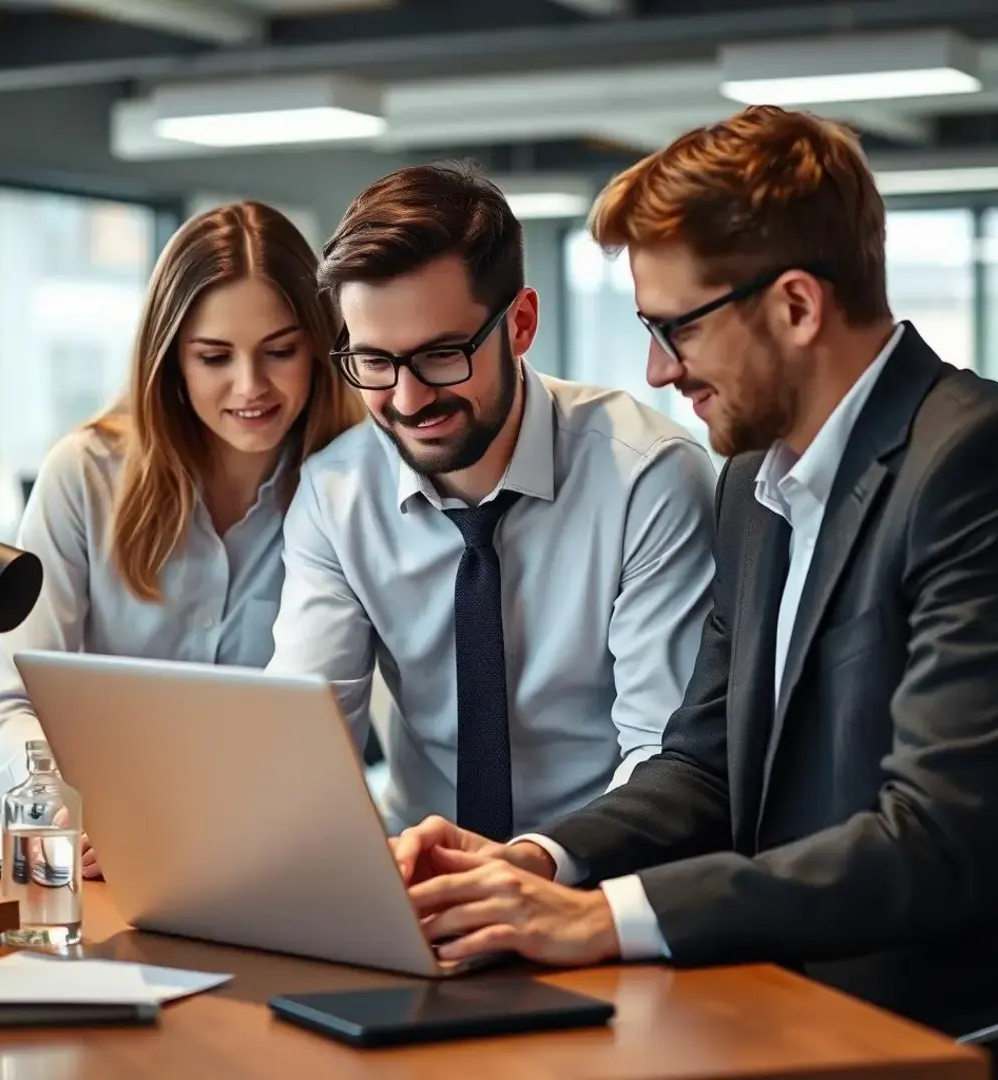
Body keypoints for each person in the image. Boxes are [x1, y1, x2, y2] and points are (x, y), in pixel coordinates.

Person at [390, 106, 998, 1040]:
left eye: (676, 328)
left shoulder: (969, 462)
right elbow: (704, 765)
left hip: (920, 1033)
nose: (657, 369)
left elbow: (937, 837)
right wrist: (536, 863)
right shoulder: (755, 481)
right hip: (769, 1005)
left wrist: (607, 918)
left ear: (797, 305)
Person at [266, 163, 716, 839]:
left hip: (595, 872)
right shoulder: (337, 494)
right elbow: (301, 734)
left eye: (443, 355)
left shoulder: (647, 477)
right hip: (418, 873)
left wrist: (539, 867)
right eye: (375, 363)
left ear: (522, 324)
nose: (409, 400)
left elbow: (663, 753)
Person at [0, 201, 363, 876]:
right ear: (171, 359)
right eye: (214, 357)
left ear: (322, 347)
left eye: (280, 351)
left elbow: (330, 738)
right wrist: (65, 806)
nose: (250, 387)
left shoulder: (350, 488)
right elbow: (7, 708)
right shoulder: (87, 476)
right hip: (99, 864)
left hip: (266, 859)